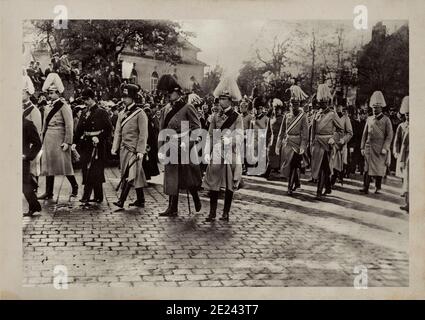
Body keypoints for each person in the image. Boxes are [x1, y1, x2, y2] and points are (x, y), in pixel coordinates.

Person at [157, 74, 202, 217]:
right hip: (170, 146)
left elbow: (196, 128)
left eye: (171, 93)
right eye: (167, 93)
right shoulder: (165, 109)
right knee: (171, 177)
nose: (168, 96)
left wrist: (188, 143)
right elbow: (162, 130)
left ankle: (195, 196)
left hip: (184, 146)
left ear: (178, 93)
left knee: (188, 177)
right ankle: (172, 207)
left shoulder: (188, 108)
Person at [202, 87, 244, 222]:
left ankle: (226, 212)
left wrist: (230, 140)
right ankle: (212, 212)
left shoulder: (237, 117)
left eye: (224, 99)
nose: (221, 101)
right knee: (214, 181)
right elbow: (209, 134)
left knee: (230, 183)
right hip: (217, 150)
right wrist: (207, 151)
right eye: (220, 98)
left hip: (231, 151)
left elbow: (239, 135)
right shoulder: (215, 116)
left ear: (230, 101)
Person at [38, 73, 79, 200]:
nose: (49, 95)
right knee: (49, 165)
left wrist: (68, 142)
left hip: (60, 139)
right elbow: (45, 125)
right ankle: (48, 192)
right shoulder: (47, 107)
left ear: (58, 93)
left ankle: (75, 186)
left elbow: (69, 125)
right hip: (49, 139)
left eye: (52, 93)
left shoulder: (64, 106)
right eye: (49, 93)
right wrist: (42, 139)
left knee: (64, 165)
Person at [111, 84, 149, 208]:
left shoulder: (140, 113)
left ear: (133, 98)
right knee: (134, 174)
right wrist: (114, 147)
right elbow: (118, 132)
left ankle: (121, 201)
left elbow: (143, 134)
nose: (124, 99)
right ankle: (141, 199)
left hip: (134, 150)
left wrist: (140, 151)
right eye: (123, 96)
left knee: (130, 175)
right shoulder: (121, 113)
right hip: (124, 149)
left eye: (126, 97)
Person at [73, 88, 113, 204]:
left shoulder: (101, 112)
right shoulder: (84, 112)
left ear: (92, 98)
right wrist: (74, 142)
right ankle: (98, 196)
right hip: (86, 144)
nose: (85, 102)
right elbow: (79, 129)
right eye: (84, 99)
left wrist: (99, 138)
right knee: (87, 169)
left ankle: (86, 196)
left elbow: (109, 129)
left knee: (94, 170)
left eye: (87, 99)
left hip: (98, 145)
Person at [310, 84, 343, 199]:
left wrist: (333, 138)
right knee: (322, 167)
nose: (322, 104)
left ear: (328, 102)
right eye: (321, 102)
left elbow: (340, 130)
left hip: (327, 143)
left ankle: (319, 191)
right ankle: (328, 186)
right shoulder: (316, 114)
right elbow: (313, 130)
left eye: (324, 102)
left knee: (323, 166)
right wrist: (311, 142)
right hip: (317, 143)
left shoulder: (333, 114)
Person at [359, 91, 394, 194]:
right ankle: (365, 187)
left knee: (378, 168)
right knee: (367, 167)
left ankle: (377, 187)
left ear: (381, 108)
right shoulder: (369, 119)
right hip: (369, 146)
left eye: (376, 108)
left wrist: (385, 147)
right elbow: (364, 134)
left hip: (380, 147)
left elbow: (389, 135)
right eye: (373, 108)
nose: (374, 110)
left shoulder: (386, 120)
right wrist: (362, 147)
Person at [275, 96, 308, 195]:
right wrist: (278, 144)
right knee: (288, 165)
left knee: (294, 165)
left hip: (297, 143)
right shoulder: (287, 115)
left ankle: (289, 187)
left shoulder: (303, 116)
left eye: (297, 104)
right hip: (288, 142)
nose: (295, 106)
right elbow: (282, 131)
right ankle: (297, 183)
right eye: (293, 104)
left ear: (299, 105)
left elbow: (305, 133)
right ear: (290, 105)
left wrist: (303, 146)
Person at [23, 118, 42, 217]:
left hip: (21, 159)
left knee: (24, 184)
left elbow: (37, 143)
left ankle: (34, 206)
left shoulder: (27, 124)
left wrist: (28, 156)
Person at [330, 103, 353, 186]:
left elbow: (350, 133)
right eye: (336, 106)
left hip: (340, 144)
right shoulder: (331, 116)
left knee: (336, 164)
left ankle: (332, 181)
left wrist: (344, 140)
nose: (338, 108)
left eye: (339, 106)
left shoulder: (345, 119)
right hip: (330, 142)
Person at [398, 97, 409, 211]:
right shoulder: (403, 126)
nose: (408, 117)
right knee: (407, 178)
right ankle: (408, 202)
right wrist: (400, 156)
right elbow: (403, 143)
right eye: (406, 114)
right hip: (407, 155)